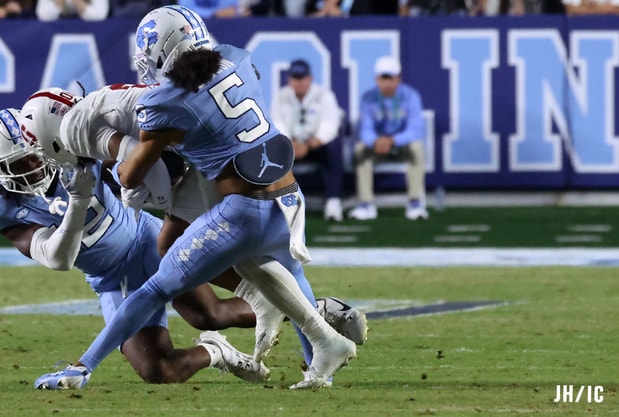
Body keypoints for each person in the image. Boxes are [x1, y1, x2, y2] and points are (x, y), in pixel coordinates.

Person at [65, 5, 359, 390]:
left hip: (244, 211)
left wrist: (110, 143)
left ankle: (83, 366)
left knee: (157, 283)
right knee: (287, 271)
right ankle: (317, 357)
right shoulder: (238, 57)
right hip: (286, 191)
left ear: (163, 52)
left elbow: (132, 172)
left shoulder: (165, 103)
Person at [18, 84, 369, 369]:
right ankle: (294, 311)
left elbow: (151, 170)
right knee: (195, 275)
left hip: (216, 168)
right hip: (233, 157)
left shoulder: (89, 126)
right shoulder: (101, 108)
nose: (43, 158)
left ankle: (306, 324)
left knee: (179, 269)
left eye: (40, 148)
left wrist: (129, 187)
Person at [0, 108, 269, 387]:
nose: (31, 168)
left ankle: (303, 311)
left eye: (31, 157)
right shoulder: (0, 207)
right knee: (158, 371)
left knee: (210, 315)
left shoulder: (69, 147)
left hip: (147, 242)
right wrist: (78, 202)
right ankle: (215, 352)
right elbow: (58, 258)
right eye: (16, 164)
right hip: (111, 278)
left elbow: (125, 154)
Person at [349, 55, 428, 221]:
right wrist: (376, 141)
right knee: (360, 149)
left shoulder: (410, 96)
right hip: (377, 147)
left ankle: (415, 202)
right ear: (376, 79)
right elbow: (365, 130)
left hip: (400, 145)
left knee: (416, 148)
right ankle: (366, 203)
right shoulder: (368, 98)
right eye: (383, 78)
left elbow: (415, 130)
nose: (387, 83)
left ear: (398, 78)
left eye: (390, 78)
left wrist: (393, 140)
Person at [271, 59, 345, 222]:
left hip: (315, 145)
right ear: (289, 80)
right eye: (295, 78)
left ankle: (333, 201)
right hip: (291, 145)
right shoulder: (282, 96)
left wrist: (309, 144)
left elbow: (330, 125)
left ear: (310, 78)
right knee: (271, 149)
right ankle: (279, 204)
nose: (299, 82)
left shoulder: (324, 95)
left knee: (334, 147)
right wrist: (291, 144)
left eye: (302, 78)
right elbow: (277, 123)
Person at [35, 0, 108, 21]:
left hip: (89, 28)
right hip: (58, 28)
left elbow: (100, 14)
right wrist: (58, 3)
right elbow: (42, 15)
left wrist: (78, 3)